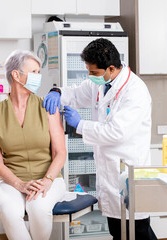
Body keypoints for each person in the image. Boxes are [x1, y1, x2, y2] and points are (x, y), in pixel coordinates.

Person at [43, 38, 157, 240]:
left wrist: (79, 124)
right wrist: (57, 91)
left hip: (127, 171)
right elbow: (77, 94)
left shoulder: (135, 91)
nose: (90, 76)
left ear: (111, 68)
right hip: (110, 174)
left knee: (137, 232)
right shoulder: (102, 82)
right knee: (119, 231)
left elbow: (117, 132)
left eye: (94, 72)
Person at [0, 50, 66, 240]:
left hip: (49, 178)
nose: (38, 77)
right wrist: (18, 184)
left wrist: (47, 180)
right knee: (9, 211)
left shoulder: (48, 108)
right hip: (10, 181)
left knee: (39, 209)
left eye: (38, 72)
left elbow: (60, 152)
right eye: (34, 72)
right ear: (16, 75)